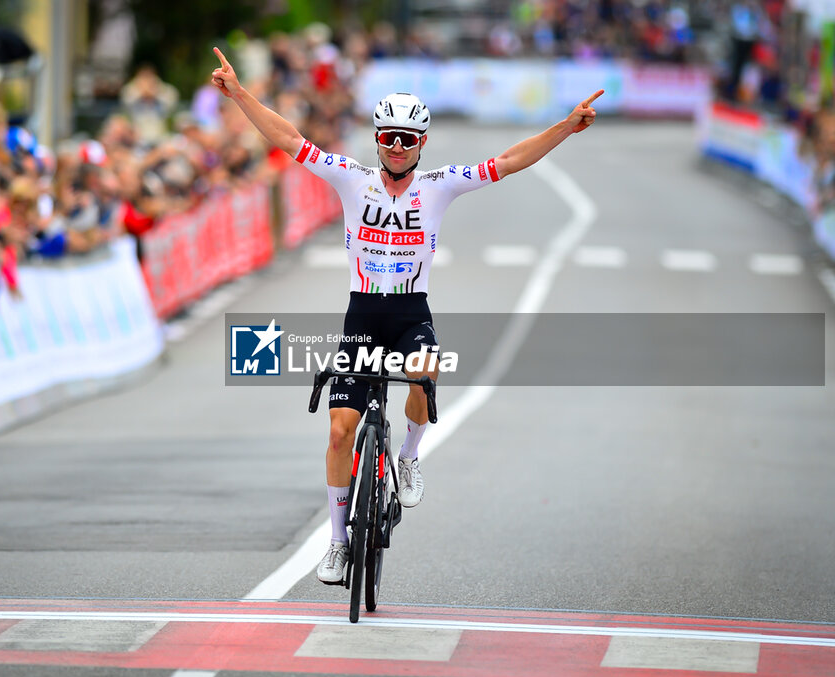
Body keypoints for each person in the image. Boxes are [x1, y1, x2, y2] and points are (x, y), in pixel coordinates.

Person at [211, 46, 603, 585]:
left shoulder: (438, 185)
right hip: (361, 318)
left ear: (421, 144)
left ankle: (411, 454)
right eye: (388, 138)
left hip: (410, 313)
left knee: (426, 369)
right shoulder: (352, 177)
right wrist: (239, 94)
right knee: (338, 432)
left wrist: (565, 126)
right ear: (376, 140)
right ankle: (338, 541)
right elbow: (287, 140)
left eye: (408, 139)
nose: (397, 148)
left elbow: (509, 161)